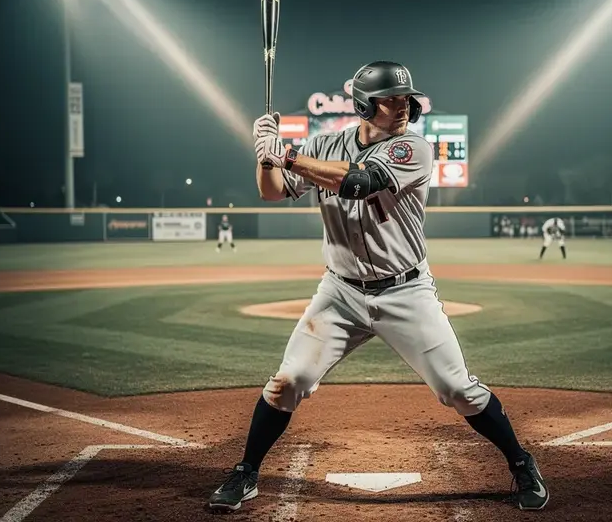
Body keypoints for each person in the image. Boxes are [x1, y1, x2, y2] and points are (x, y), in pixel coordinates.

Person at [206, 61, 549, 513]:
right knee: (289, 380)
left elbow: (358, 182)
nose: (404, 106)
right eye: (393, 99)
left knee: (457, 389)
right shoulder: (324, 143)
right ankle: (246, 472)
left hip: (406, 292)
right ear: (367, 104)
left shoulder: (414, 149)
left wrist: (286, 154)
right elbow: (272, 191)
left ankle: (522, 463)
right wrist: (265, 157)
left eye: (407, 98)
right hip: (340, 292)